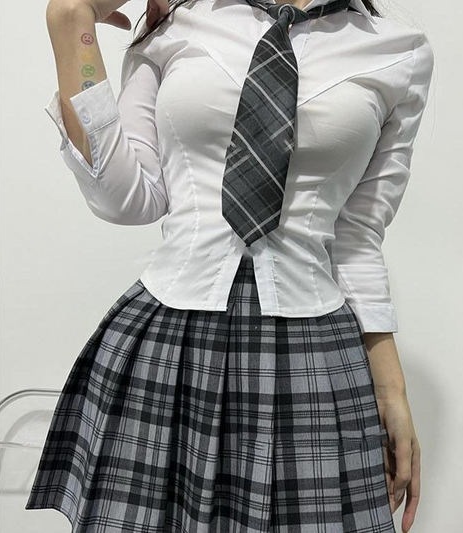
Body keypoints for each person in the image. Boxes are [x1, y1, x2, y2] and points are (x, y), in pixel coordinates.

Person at [25, 0, 434, 531]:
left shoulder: (399, 52)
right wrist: (71, 20)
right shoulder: (176, 23)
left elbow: (357, 235)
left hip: (311, 355)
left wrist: (392, 390)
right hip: (169, 343)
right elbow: (126, 198)